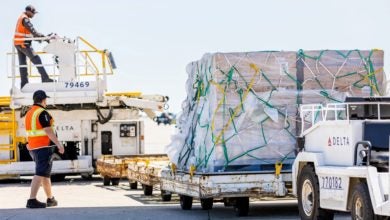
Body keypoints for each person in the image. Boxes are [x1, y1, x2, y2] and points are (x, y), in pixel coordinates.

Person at [25, 90, 64, 208]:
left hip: (34, 147)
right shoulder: (42, 112)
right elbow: (48, 130)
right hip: (43, 146)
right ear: (43, 100)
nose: (46, 102)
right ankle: (31, 200)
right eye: (45, 100)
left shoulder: (30, 112)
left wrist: (28, 142)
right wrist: (58, 144)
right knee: (40, 173)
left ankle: (50, 199)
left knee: (45, 174)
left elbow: (30, 130)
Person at [14, 5, 54, 89]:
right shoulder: (25, 19)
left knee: (23, 65)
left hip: (18, 43)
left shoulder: (21, 17)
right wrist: (45, 38)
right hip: (23, 43)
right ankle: (45, 78)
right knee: (36, 59)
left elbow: (30, 35)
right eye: (33, 13)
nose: (34, 15)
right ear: (29, 11)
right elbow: (34, 33)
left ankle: (24, 84)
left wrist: (43, 38)